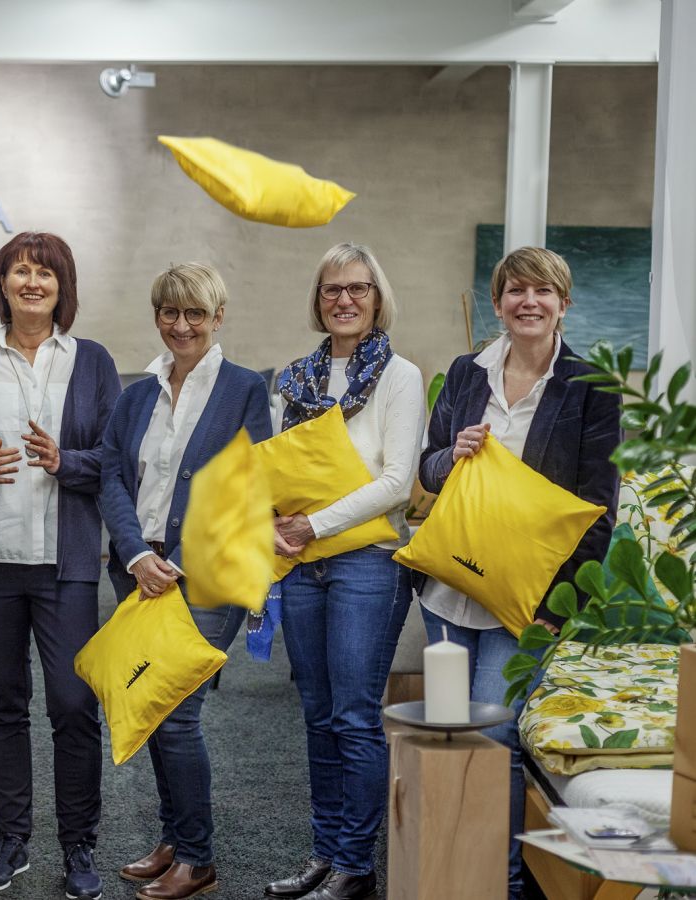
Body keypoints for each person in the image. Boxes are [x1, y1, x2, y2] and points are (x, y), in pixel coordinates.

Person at [417, 246, 620, 900]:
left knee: (492, 733)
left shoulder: (591, 387)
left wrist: (554, 611)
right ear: (499, 302)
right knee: (449, 736)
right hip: (449, 588)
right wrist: (452, 454)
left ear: (564, 303)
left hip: (525, 603)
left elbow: (598, 511)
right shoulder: (465, 372)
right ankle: (447, 874)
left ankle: (496, 883)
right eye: (516, 290)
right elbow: (428, 467)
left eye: (543, 291)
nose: (529, 301)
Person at [0, 231, 120, 900]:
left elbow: (114, 457)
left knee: (73, 704)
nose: (32, 282)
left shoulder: (91, 361)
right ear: (3, 284)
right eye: (20, 271)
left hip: (64, 566)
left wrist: (65, 461)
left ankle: (78, 845)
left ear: (62, 287)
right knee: (4, 705)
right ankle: (10, 841)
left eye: (45, 273)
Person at [98, 262, 272, 900]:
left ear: (217, 317)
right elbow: (112, 477)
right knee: (154, 707)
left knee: (175, 714)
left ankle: (197, 859)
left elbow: (249, 486)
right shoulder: (137, 394)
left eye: (195, 313)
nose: (181, 325)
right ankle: (174, 841)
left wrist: (178, 561)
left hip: (206, 577)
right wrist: (134, 555)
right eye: (170, 312)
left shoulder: (244, 389)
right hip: (138, 571)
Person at [266, 242, 425, 900]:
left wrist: (314, 524)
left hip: (367, 563)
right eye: (332, 289)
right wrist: (274, 521)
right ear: (318, 299)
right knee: (317, 713)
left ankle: (356, 865)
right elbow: (276, 465)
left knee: (355, 717)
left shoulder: (400, 376)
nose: (345, 299)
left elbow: (397, 483)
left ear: (377, 298)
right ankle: (325, 854)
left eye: (358, 288)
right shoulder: (293, 378)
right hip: (301, 565)